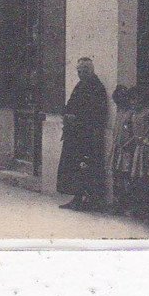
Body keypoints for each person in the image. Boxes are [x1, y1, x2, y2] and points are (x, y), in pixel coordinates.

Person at [57, 57, 108, 211]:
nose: (80, 73)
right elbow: (70, 105)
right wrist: (67, 114)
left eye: (84, 70)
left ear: (91, 70)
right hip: (76, 134)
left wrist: (77, 118)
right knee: (75, 167)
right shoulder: (80, 86)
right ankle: (77, 198)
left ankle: (89, 200)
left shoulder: (97, 88)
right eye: (79, 71)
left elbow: (97, 113)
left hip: (88, 135)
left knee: (86, 166)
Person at [129, 91, 149, 219]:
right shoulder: (134, 113)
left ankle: (147, 210)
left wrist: (146, 139)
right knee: (136, 177)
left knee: (146, 178)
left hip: (147, 148)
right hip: (137, 148)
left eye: (136, 99)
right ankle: (138, 208)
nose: (133, 102)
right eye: (131, 99)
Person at [109, 85, 135, 212]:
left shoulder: (131, 114)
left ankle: (127, 205)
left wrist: (128, 144)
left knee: (126, 176)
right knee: (116, 176)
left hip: (126, 150)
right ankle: (117, 203)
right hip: (117, 149)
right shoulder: (119, 113)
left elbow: (132, 132)